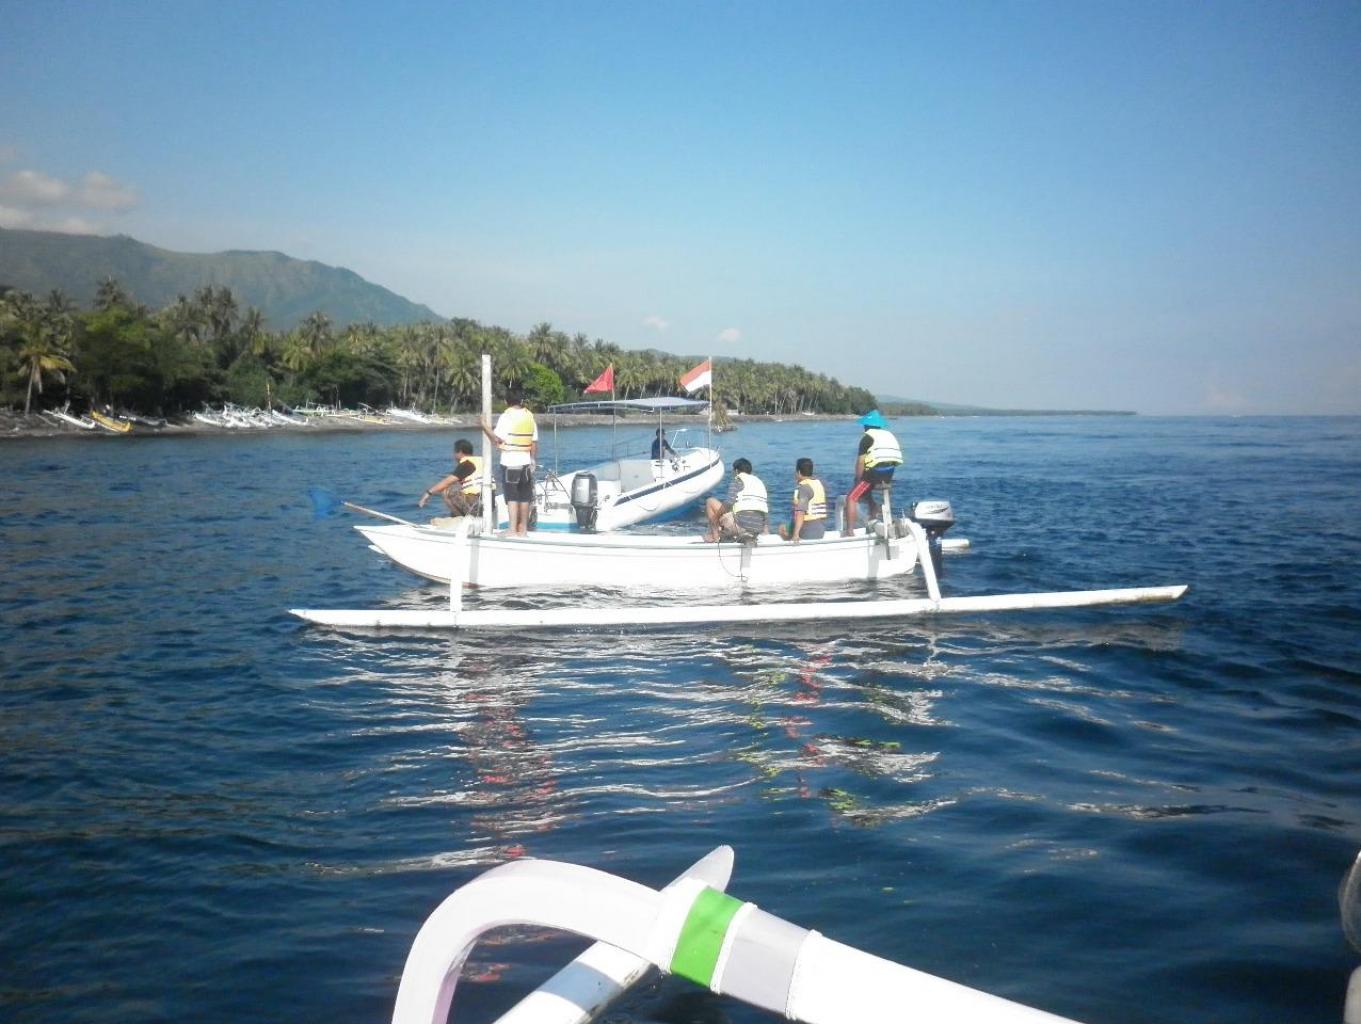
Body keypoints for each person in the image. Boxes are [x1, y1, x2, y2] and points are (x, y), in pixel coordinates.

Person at [479, 387, 538, 536]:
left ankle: (512, 529)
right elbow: (534, 442)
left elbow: (496, 439)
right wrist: (532, 460)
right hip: (526, 462)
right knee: (524, 497)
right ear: (522, 400)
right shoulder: (529, 416)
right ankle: (523, 530)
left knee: (512, 497)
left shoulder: (507, 417)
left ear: (506, 401)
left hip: (510, 462)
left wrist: (483, 425)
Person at [843, 410, 903, 535]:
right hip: (889, 473)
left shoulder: (867, 438)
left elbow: (860, 463)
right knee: (866, 489)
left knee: (851, 498)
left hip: (874, 473)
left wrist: (857, 480)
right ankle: (873, 511)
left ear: (867, 425)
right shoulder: (888, 435)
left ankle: (849, 531)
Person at [417, 439, 490, 517]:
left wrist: (428, 493)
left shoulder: (467, 463)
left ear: (460, 452)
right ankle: (456, 515)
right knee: (458, 488)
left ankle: (461, 518)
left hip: (477, 505)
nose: (454, 456)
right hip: (489, 502)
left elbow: (447, 482)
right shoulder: (482, 461)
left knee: (447, 490)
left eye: (455, 452)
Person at [704, 458, 769, 542]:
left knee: (710, 502)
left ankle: (715, 537)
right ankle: (750, 534)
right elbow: (762, 508)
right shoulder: (759, 483)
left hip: (739, 526)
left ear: (736, 471)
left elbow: (728, 503)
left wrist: (715, 518)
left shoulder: (738, 480)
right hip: (758, 527)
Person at [778, 457, 829, 542]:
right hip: (820, 528)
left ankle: (790, 546)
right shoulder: (818, 484)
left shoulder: (804, 488)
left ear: (798, 472)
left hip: (808, 531)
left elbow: (800, 513)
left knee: (782, 528)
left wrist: (795, 535)